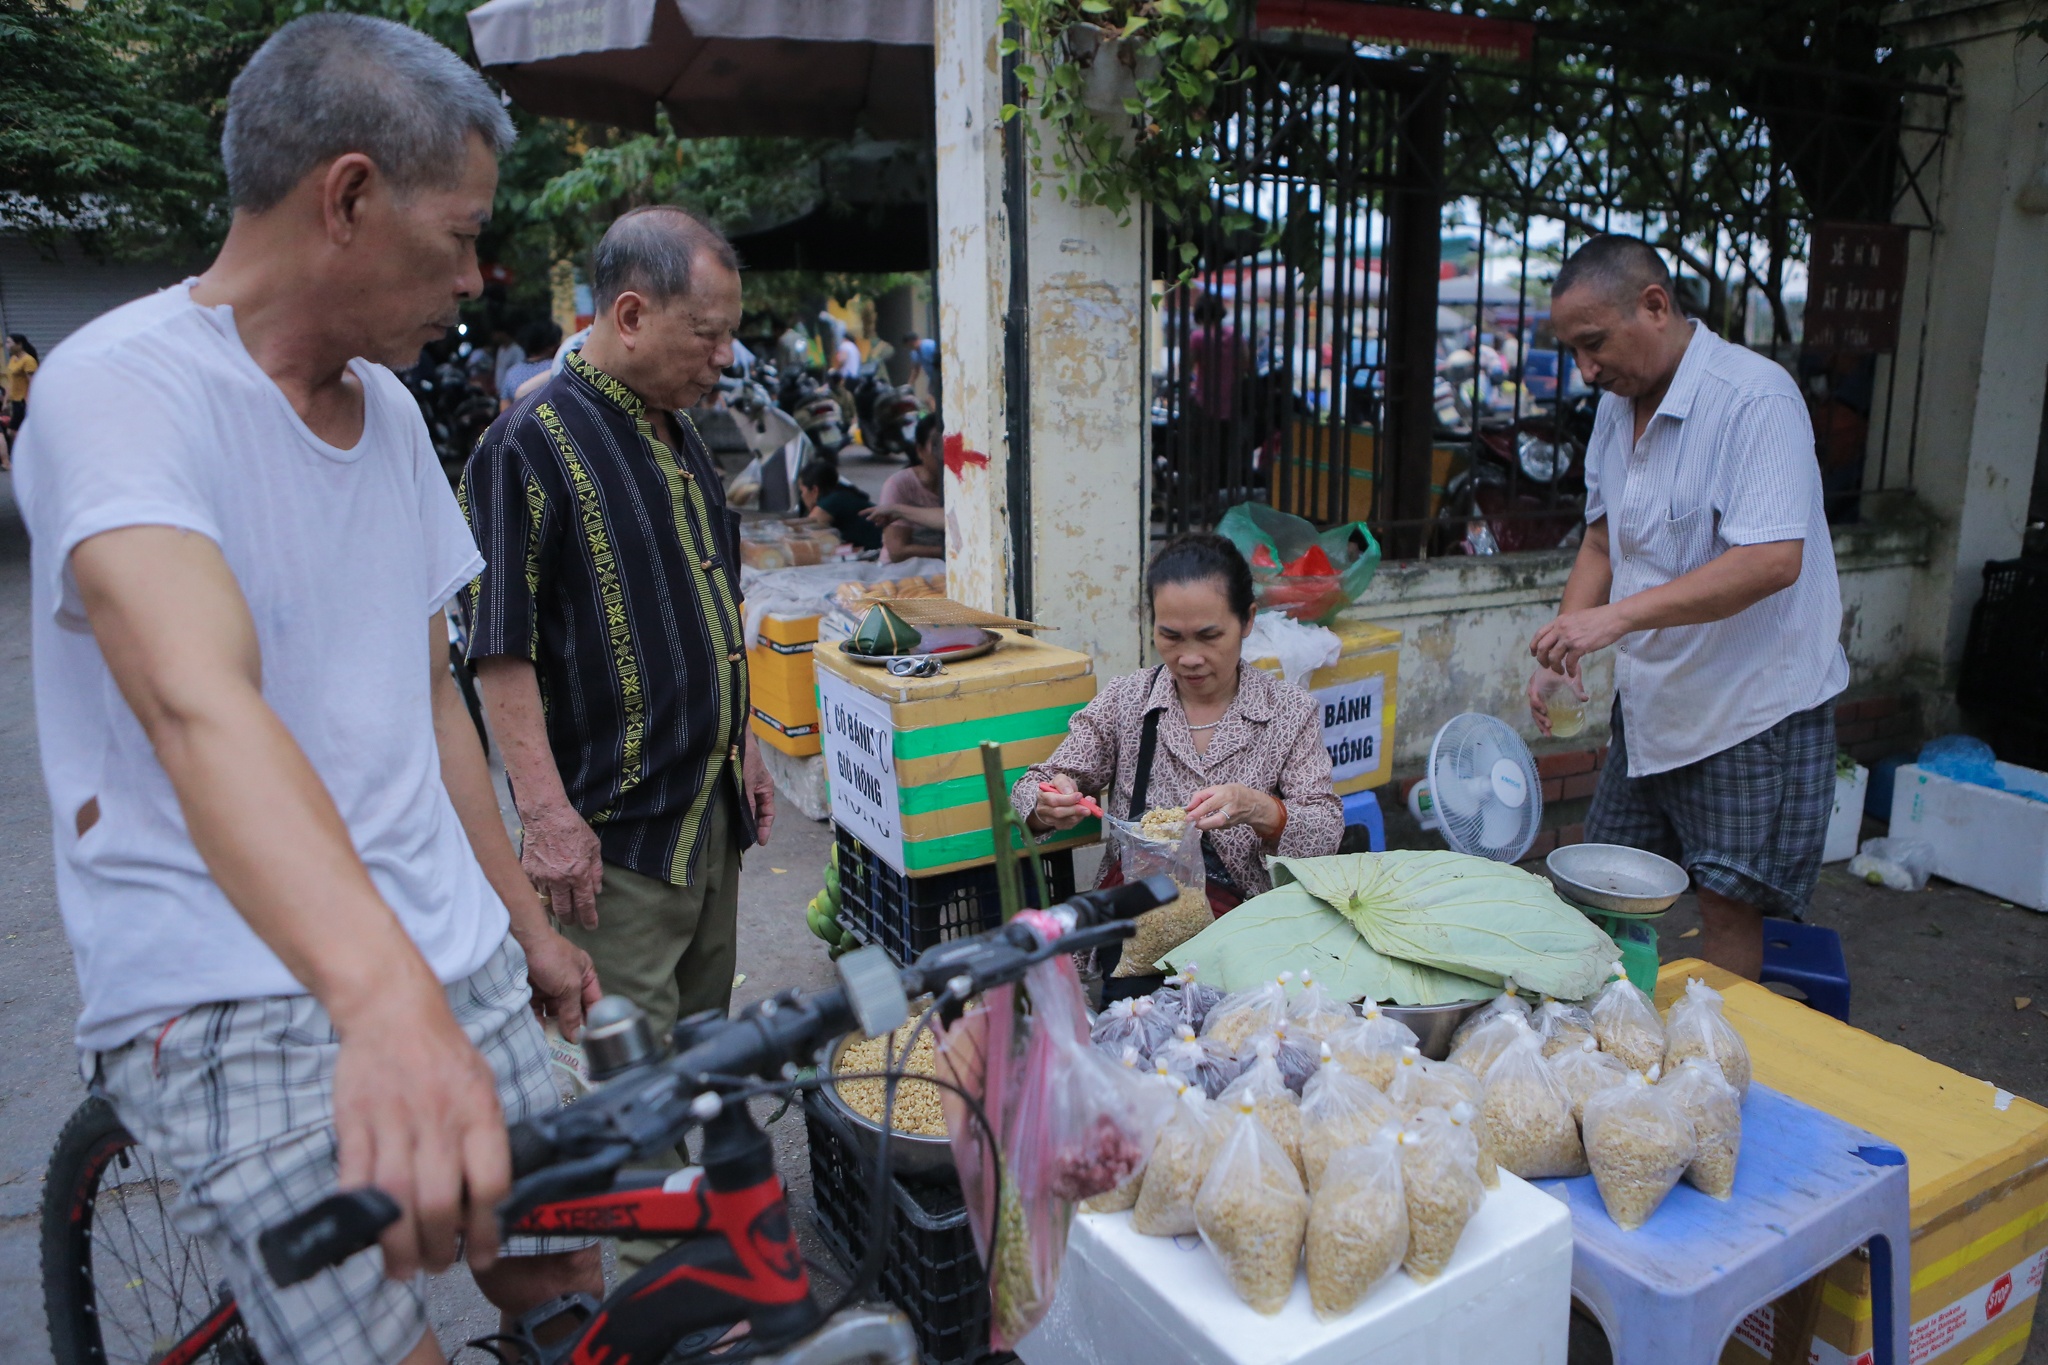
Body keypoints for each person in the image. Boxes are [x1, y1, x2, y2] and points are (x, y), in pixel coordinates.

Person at [14, 17, 605, 1364]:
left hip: (440, 950)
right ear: (346, 197)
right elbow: (193, 702)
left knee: (571, 1270)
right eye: (457, 235)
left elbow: (429, 704)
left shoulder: (392, 415)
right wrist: (384, 1003)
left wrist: (523, 928)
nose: (476, 272)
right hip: (234, 984)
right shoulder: (119, 389)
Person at [462, 206, 775, 1271]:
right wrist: (545, 820)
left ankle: (711, 1271)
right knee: (632, 1107)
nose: (723, 358)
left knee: (704, 1063)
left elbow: (713, 596)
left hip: (707, 821)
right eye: (708, 334)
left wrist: (747, 746)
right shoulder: (527, 445)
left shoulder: (676, 426)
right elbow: (497, 653)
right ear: (629, 313)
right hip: (613, 851)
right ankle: (662, 1318)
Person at [1527, 234, 1847, 981]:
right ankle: (1595, 1049)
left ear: (1656, 305)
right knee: (1599, 885)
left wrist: (1616, 620)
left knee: (1727, 900)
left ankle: (1717, 1065)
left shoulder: (1754, 398)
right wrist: (1563, 649)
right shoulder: (1617, 405)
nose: (1586, 369)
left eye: (1594, 343)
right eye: (1574, 351)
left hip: (1750, 705)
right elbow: (1603, 541)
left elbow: (1772, 559)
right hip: (1655, 702)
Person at [1015, 533, 1343, 999]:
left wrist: (1258, 808)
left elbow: (1324, 832)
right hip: (1138, 927)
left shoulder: (1288, 713)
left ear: (1246, 621)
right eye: (1171, 636)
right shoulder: (1127, 702)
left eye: (1210, 636)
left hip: (1247, 928)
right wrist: (1047, 802)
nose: (1189, 658)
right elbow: (1035, 784)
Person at [866, 410, 947, 563]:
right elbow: (897, 551)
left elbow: (948, 518)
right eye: (936, 446)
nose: (944, 454)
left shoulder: (963, 487)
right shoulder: (899, 484)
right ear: (920, 451)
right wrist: (950, 553)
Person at [795, 458, 880, 550]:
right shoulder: (842, 493)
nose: (802, 496)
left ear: (815, 490)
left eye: (802, 491)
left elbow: (806, 532)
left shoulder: (832, 501)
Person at [498, 318, 560, 410]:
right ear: (551, 346)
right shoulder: (557, 368)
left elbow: (504, 410)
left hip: (521, 423)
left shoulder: (512, 372)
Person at [5, 332, 38, 436]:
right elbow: (11, 381)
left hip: (22, 401)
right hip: (15, 401)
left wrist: (29, 403)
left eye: (9, 343)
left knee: (14, 431)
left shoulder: (28, 361)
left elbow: (33, 383)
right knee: (14, 431)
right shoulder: (13, 359)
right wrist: (6, 401)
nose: (7, 346)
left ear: (19, 344)